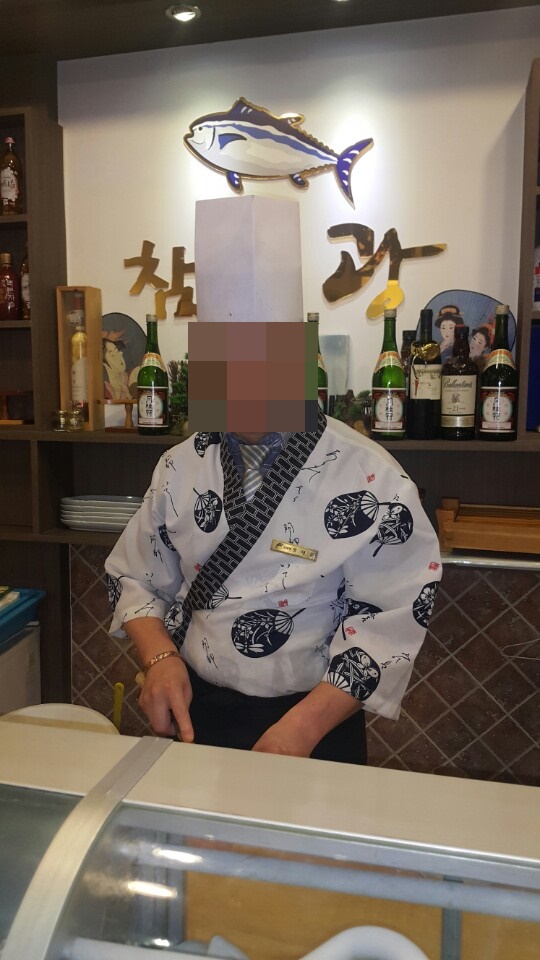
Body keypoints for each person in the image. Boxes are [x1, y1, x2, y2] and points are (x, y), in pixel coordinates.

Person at [104, 195, 442, 765]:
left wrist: (302, 729)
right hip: (198, 710)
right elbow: (135, 575)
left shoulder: (369, 474)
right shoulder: (181, 465)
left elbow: (394, 613)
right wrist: (159, 658)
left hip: (315, 725)